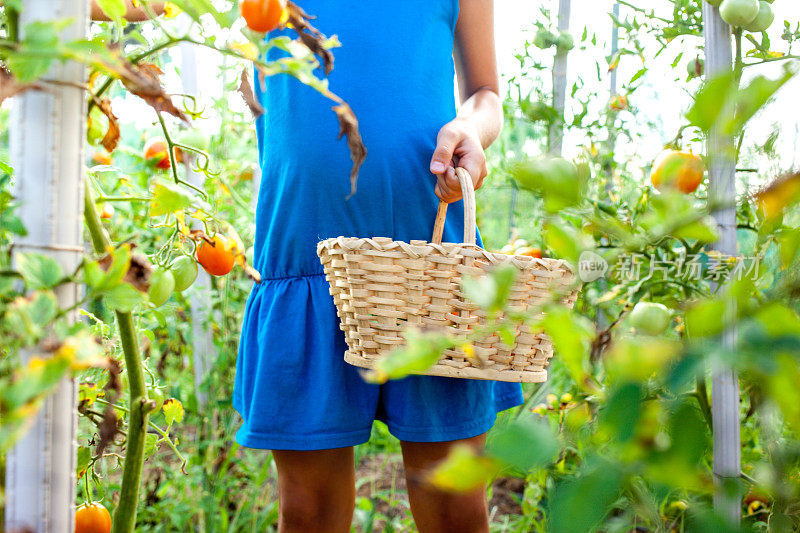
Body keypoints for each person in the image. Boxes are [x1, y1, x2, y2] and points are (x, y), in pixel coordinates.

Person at [233, 1, 522, 532]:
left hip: (430, 262)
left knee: (454, 505)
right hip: (305, 256)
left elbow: (486, 94)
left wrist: (472, 130)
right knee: (308, 511)